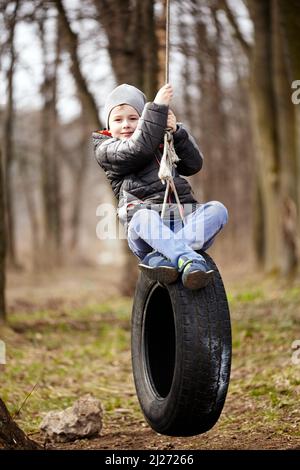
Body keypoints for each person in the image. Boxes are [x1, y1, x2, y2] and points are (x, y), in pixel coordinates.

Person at [92, 83, 228, 289]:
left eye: (133, 118)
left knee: (218, 210)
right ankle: (188, 259)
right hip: (146, 231)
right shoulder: (106, 148)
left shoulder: (162, 138)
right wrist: (157, 109)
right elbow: (137, 149)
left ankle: (165, 256)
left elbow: (193, 165)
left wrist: (177, 132)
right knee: (143, 216)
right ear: (108, 126)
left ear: (142, 120)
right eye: (118, 120)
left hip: (183, 221)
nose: (126, 125)